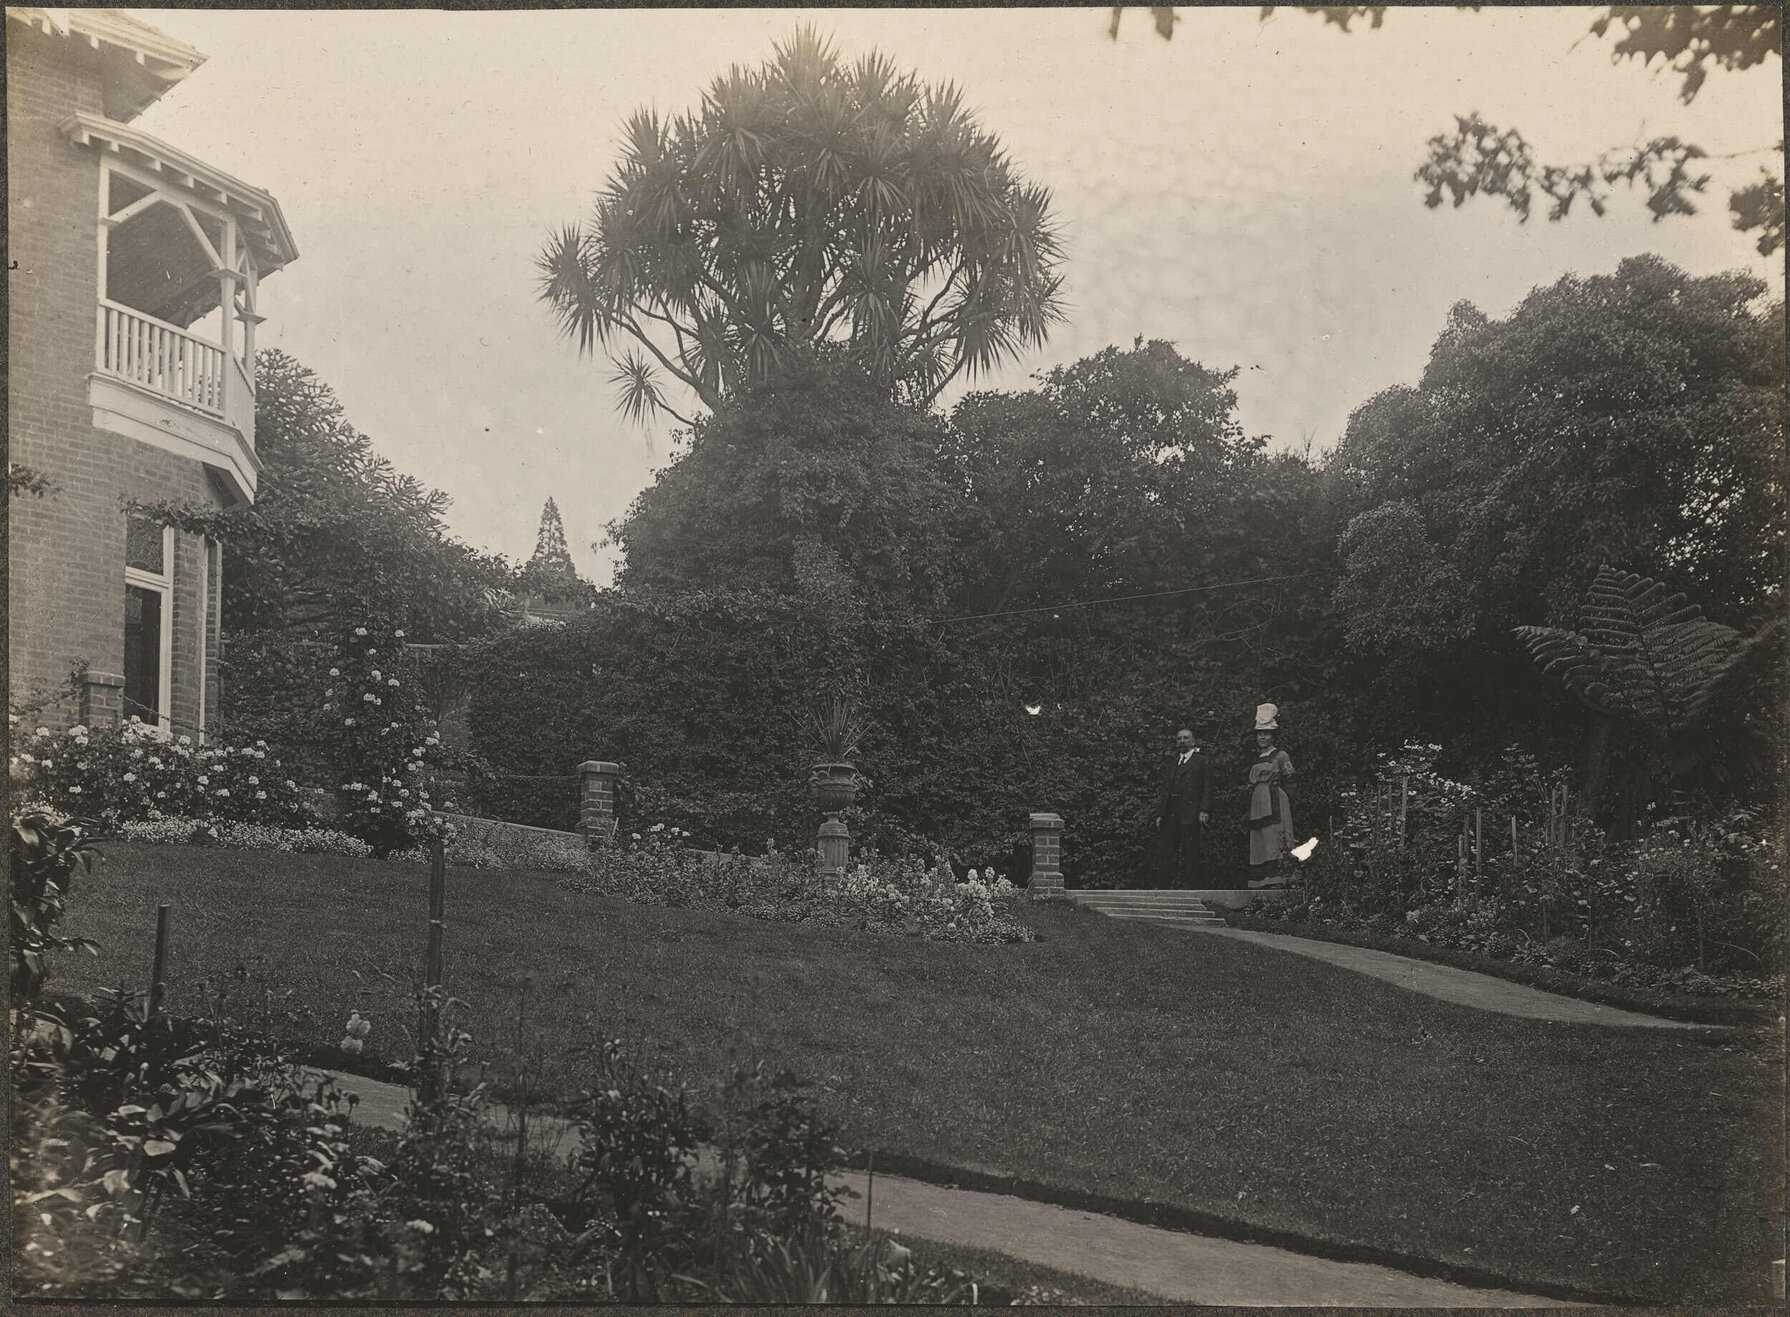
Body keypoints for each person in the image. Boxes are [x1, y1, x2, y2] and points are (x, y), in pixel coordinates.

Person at [1155, 727, 1212, 888]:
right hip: (1171, 813)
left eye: (1186, 738)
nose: (1182, 741)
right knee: (1166, 850)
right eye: (1179, 738)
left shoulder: (1202, 761)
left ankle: (1190, 886)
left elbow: (1208, 787)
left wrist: (1204, 810)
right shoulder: (1173, 763)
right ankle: (1164, 887)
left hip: (1191, 812)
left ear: (1193, 741)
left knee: (1190, 850)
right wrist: (1160, 814)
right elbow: (1165, 790)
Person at [1247, 703, 1296, 888]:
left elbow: (1291, 778)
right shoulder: (1258, 757)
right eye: (1260, 733)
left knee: (1275, 835)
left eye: (1266, 733)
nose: (1262, 737)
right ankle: (1261, 880)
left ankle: (1279, 878)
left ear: (1273, 735)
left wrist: (1286, 802)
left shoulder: (1281, 755)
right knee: (1260, 837)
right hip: (1258, 801)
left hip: (1275, 800)